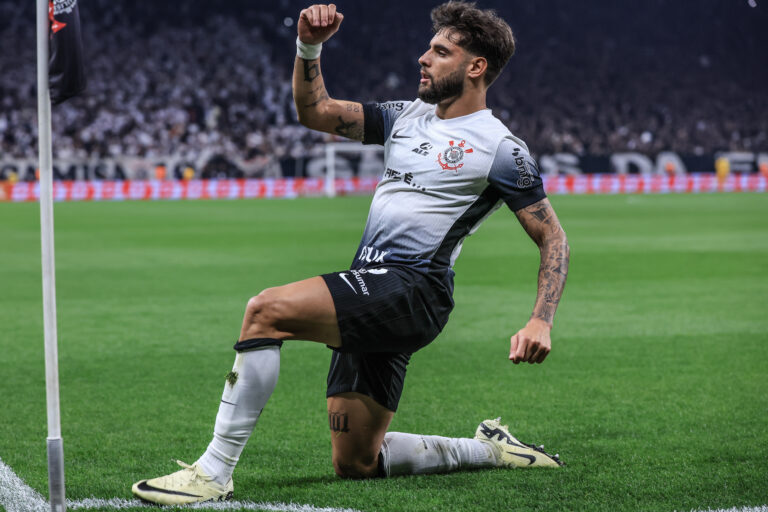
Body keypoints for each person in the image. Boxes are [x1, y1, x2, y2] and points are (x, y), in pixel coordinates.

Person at [132, 2, 570, 505]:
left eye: (441, 51)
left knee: (265, 311)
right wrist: (309, 46)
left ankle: (212, 472)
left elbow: (552, 237)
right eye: (429, 47)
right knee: (358, 462)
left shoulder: (500, 147)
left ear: (476, 68)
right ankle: (490, 450)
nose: (423, 58)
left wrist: (541, 320)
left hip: (413, 289)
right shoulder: (406, 116)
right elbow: (314, 111)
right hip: (373, 284)